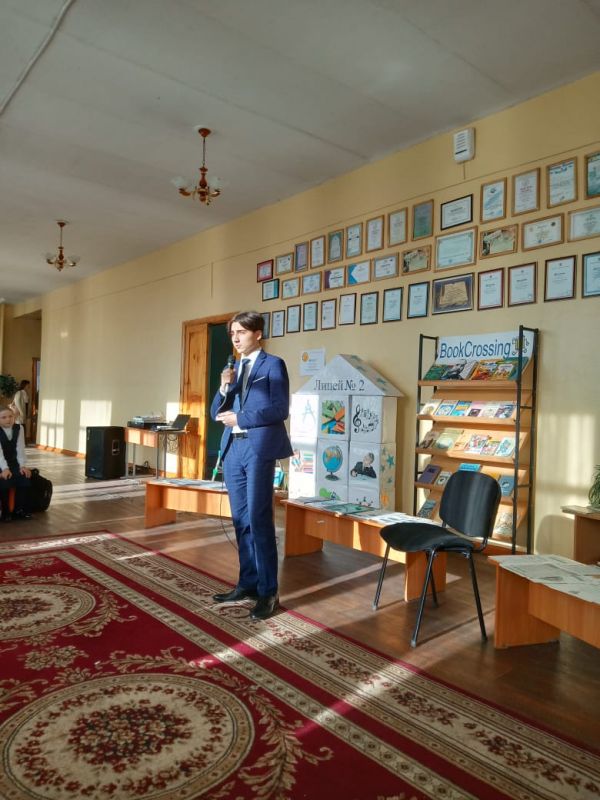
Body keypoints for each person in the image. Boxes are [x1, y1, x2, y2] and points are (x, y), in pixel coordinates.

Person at [210, 311, 293, 620]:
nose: (235, 338)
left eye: (241, 332)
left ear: (258, 334)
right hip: (233, 449)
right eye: (232, 333)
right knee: (240, 519)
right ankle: (247, 583)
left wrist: (241, 418)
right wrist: (223, 388)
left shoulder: (273, 365)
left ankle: (268, 592)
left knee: (259, 519)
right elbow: (215, 413)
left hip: (258, 449)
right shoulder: (232, 370)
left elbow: (280, 410)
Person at [0, 405, 32, 521]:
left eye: (10, 416)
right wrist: (4, 469)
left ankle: (19, 510)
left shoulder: (19, 428)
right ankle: (5, 512)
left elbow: (20, 449)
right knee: (4, 481)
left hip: (13, 462)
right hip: (0, 463)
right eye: (4, 417)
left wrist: (22, 466)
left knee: (24, 477)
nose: (8, 419)